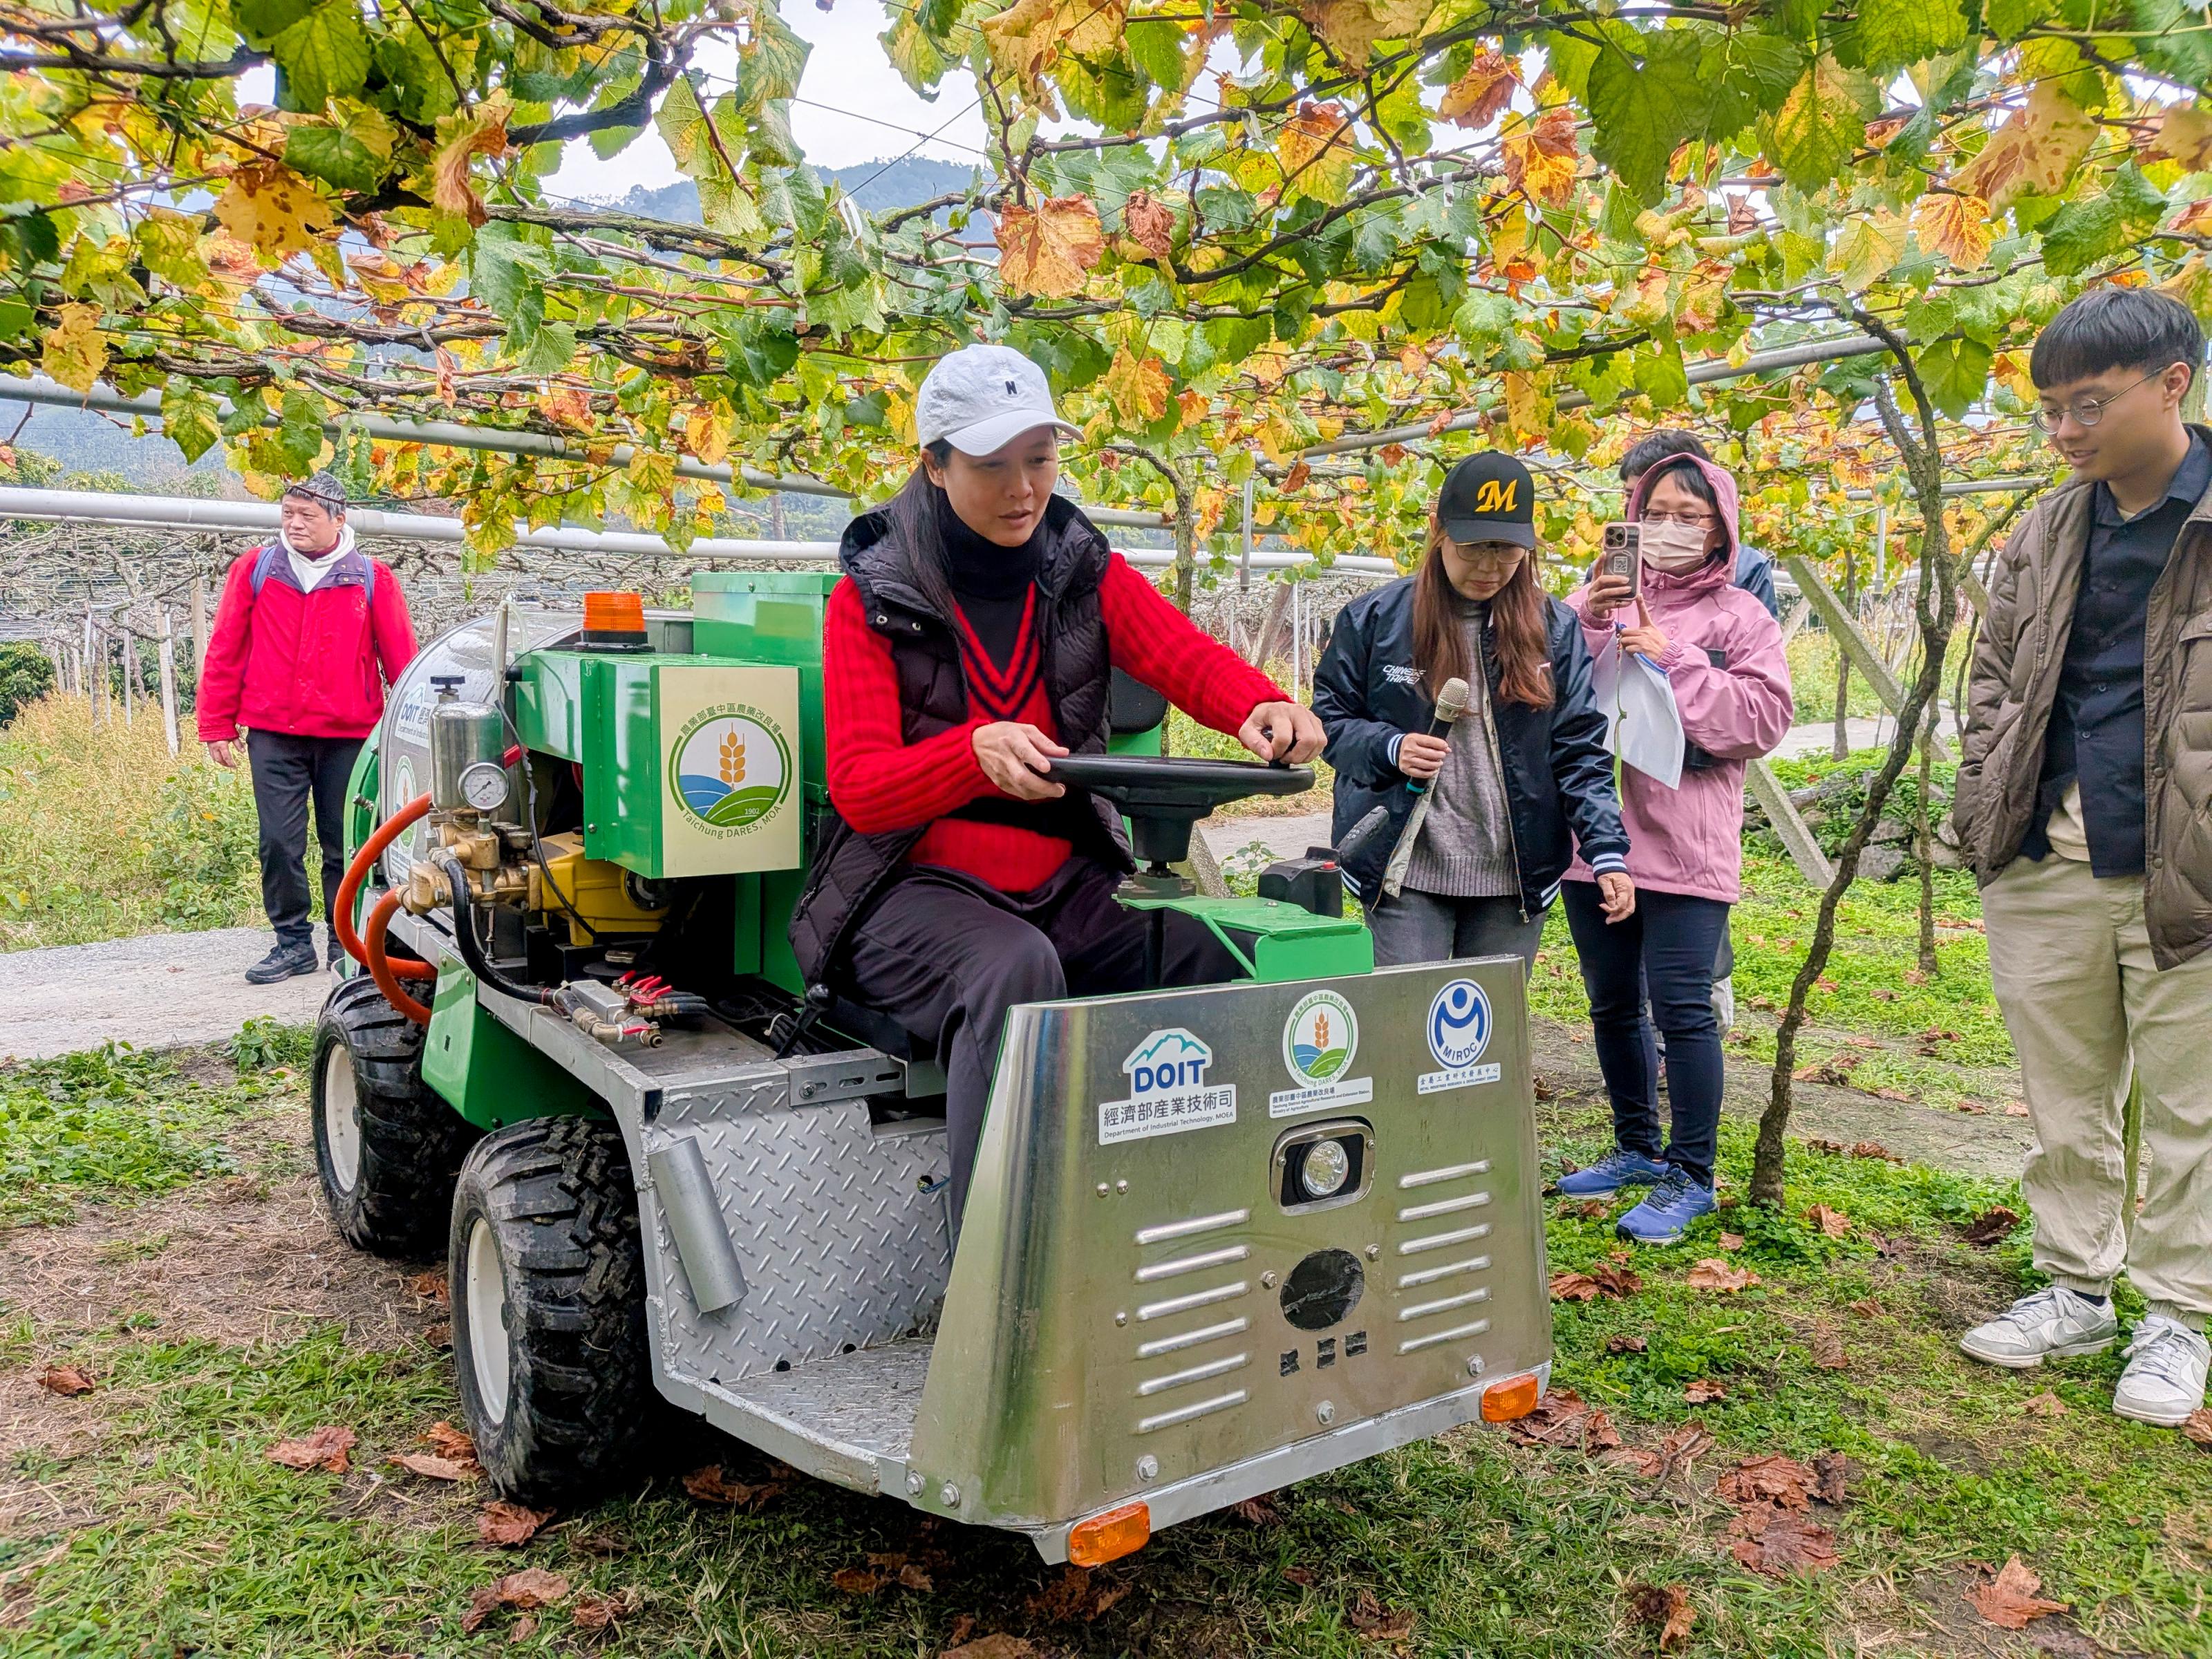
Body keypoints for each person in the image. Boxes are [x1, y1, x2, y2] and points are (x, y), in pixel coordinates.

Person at [787, 344, 1324, 1222]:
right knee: (1012, 968)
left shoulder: (1080, 570)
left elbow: (1178, 653)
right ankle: (1000, 1278)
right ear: (933, 464)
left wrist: (1258, 704)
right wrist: (969, 753)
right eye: (991, 466)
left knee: (1217, 954)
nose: (1022, 489)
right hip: (903, 891)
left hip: (1059, 880)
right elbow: (860, 787)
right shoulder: (869, 598)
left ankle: (1204, 1225)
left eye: (1038, 459)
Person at [1952, 287, 2212, 1429]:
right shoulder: (2049, 529)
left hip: (2189, 868)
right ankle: (2076, 1286)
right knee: (2065, 1099)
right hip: (2048, 860)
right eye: (2051, 410)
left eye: (2087, 405)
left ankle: (2177, 1315)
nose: (2065, 433)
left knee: (2195, 1110)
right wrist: (1987, 807)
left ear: (2174, 384)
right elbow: (1994, 679)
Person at [1555, 452, 1792, 1243]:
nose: (1669, 529)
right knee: (1611, 1002)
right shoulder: (1593, 605)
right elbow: (1545, 697)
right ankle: (1635, 1150)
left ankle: (1691, 1172)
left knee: (1684, 1009)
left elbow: (1757, 724)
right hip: (1595, 842)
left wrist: (1674, 657)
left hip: (1687, 842)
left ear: (1720, 526)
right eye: (1654, 511)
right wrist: (1587, 619)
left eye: (1689, 516)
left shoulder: (1739, 618)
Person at [1312, 451, 1633, 972]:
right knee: (1408, 1030)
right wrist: (1389, 747)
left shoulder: (1554, 628)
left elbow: (1579, 749)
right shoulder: (1375, 619)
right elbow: (1328, 721)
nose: (1489, 568)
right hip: (1405, 868)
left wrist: (1605, 849)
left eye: (1506, 552)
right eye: (1472, 548)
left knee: (1488, 1041)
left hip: (1514, 876)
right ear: (1438, 530)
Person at [198, 471, 416, 984]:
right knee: (278, 841)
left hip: (350, 738)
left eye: (307, 516)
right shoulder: (257, 569)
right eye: (287, 515)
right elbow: (226, 647)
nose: (294, 525)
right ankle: (292, 944)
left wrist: (402, 734)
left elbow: (401, 661)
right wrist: (216, 723)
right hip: (273, 732)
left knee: (347, 846)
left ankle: (347, 946)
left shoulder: (371, 578)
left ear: (339, 520)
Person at [1619, 429, 1777, 1038]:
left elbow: (1743, 694)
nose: (1655, 525)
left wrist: (1673, 663)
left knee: (1687, 975)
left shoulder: (1745, 578)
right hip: (1624, 787)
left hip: (1691, 776)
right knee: (1620, 973)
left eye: (1682, 511)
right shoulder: (1611, 573)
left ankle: (1699, 1017)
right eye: (1642, 506)